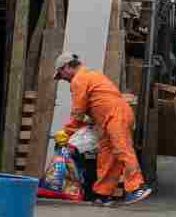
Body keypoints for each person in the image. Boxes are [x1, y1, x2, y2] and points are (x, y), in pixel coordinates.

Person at [54, 52, 152, 206]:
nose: (63, 79)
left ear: (66, 67)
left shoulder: (79, 80)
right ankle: (102, 194)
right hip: (109, 118)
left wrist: (67, 132)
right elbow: (91, 106)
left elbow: (78, 111)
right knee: (107, 154)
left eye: (61, 74)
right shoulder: (89, 75)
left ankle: (137, 186)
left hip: (115, 116)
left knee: (122, 149)